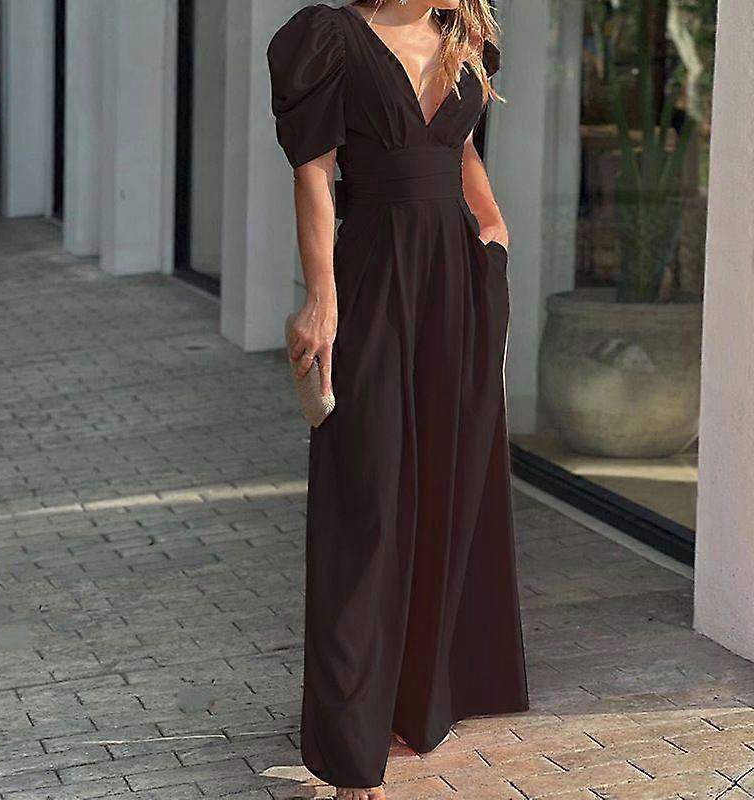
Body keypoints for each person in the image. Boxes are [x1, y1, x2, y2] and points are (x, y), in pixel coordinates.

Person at [266, 1, 529, 797]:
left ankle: (413, 701)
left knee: (447, 484)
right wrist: (321, 297)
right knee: (367, 502)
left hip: (459, 281)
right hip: (375, 277)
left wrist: (493, 230)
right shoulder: (329, 38)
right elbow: (314, 172)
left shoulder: (464, 38)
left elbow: (462, 151)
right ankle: (351, 750)